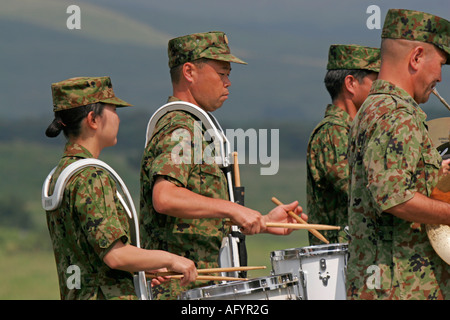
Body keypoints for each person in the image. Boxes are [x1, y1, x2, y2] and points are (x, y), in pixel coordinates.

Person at [139, 31, 305, 300]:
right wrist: (234, 209)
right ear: (190, 72)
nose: (228, 83)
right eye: (221, 73)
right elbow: (165, 197)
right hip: (177, 291)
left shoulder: (194, 126)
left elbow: (194, 217)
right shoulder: (179, 126)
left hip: (196, 289)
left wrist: (262, 222)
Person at [44, 76, 197, 300]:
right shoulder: (91, 176)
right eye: (113, 110)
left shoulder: (61, 173)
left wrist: (147, 266)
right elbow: (116, 256)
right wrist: (171, 259)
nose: (117, 118)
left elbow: (91, 257)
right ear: (93, 120)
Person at [346, 9, 450, 300]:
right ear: (416, 57)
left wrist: (437, 175)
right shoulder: (396, 113)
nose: (440, 77)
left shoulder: (375, 107)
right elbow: (395, 197)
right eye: (440, 64)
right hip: (402, 286)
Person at [306, 44, 380, 245]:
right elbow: (359, 190)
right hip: (338, 260)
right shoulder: (333, 132)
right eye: (376, 82)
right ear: (351, 83)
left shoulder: (352, 131)